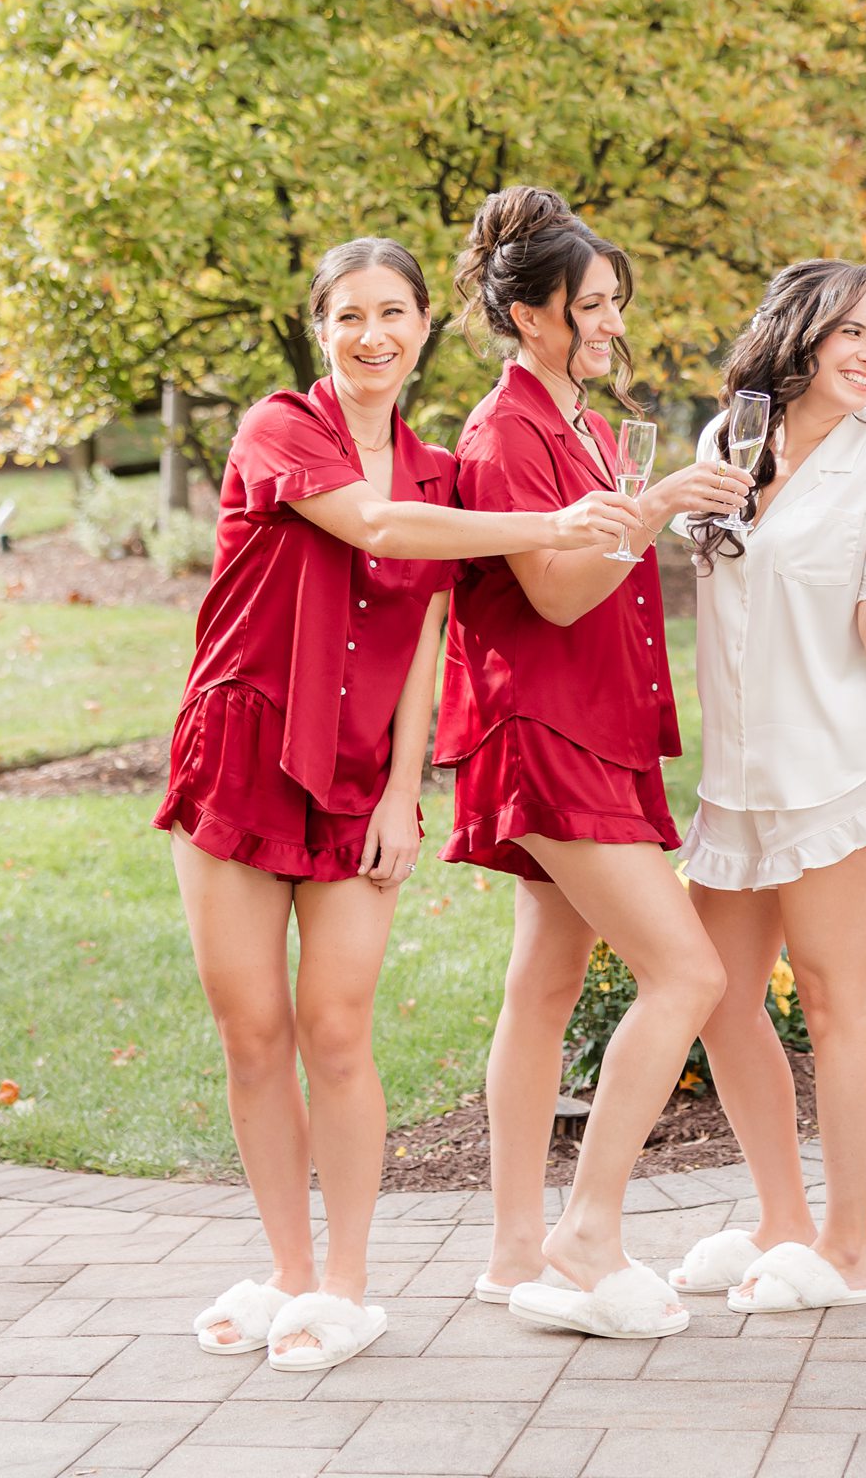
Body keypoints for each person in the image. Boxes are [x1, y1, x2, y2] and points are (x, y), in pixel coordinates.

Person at [164, 238, 643, 1372]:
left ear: (425, 325)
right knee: (254, 1033)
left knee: (336, 1027)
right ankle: (288, 1271)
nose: (372, 335)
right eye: (350, 316)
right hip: (238, 752)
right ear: (319, 328)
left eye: (394, 313)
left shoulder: (439, 468)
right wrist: (553, 523)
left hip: (357, 781)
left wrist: (401, 791)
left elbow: (431, 634)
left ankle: (344, 1283)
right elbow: (376, 529)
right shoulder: (279, 426)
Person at [437, 187, 750, 1340]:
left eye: (617, 301)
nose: (614, 322)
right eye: (593, 305)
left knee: (545, 984)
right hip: (546, 730)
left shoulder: (578, 421)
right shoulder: (505, 432)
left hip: (594, 728)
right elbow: (558, 590)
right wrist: (657, 503)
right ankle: (588, 1232)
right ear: (531, 317)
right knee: (690, 974)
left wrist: (650, 505)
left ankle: (518, 1244)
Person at [664, 260, 866, 1313]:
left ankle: (853, 1248)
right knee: (721, 999)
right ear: (802, 332)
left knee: (834, 1003)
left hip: (840, 764)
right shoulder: (727, 439)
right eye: (853, 333)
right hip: (737, 773)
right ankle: (783, 1222)